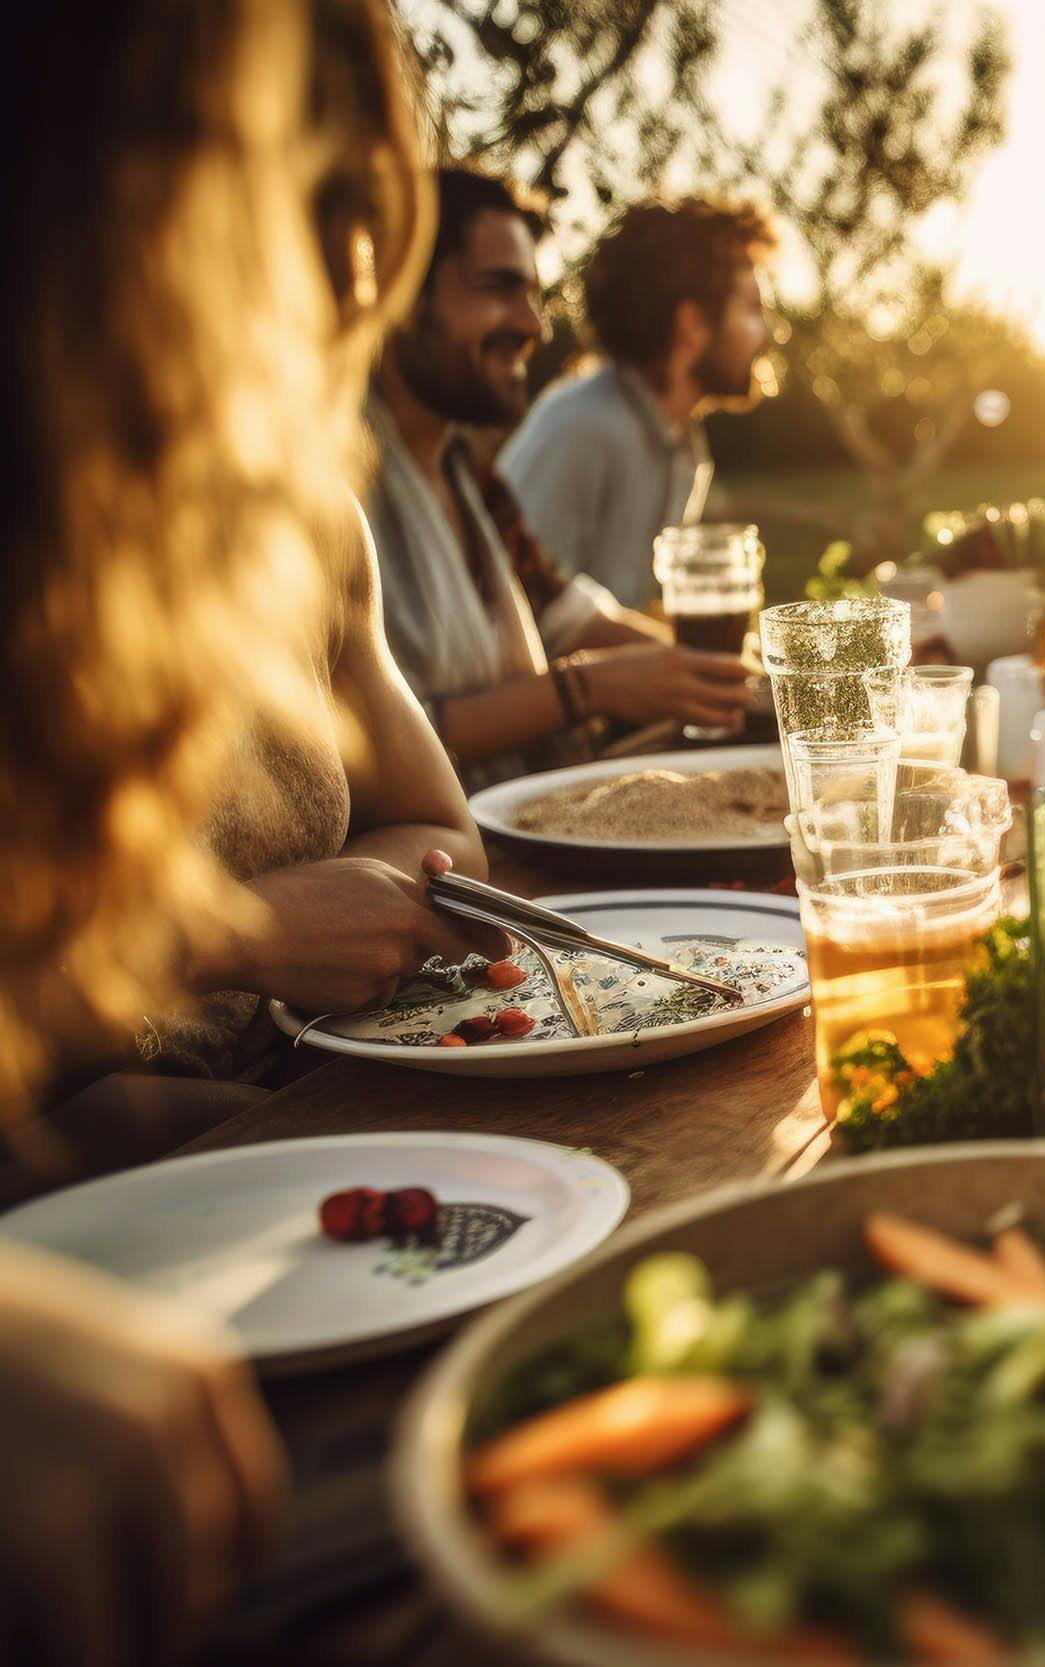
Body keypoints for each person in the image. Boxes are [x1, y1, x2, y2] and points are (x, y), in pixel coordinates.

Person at [0, 0, 501, 1655]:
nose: (340, 285)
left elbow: (450, 841)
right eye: (295, 204)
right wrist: (237, 932)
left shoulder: (294, 513)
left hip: (286, 1206)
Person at [366, 165, 754, 785]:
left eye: (534, 297)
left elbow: (564, 611)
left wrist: (751, 682)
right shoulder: (334, 490)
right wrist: (588, 688)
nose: (533, 326)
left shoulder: (471, 482)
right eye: (499, 288)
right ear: (396, 291)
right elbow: (354, 744)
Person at [499, 195, 779, 608]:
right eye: (753, 308)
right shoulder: (583, 427)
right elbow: (517, 611)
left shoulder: (682, 442)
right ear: (693, 325)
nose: (769, 332)